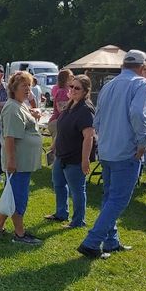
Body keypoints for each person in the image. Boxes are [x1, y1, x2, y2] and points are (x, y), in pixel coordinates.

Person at [76, 49, 146, 259]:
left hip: (107, 149)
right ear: (142, 67)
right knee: (117, 199)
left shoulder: (109, 85)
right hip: (126, 149)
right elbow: (138, 113)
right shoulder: (141, 84)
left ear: (123, 64)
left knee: (109, 197)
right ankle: (92, 241)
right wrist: (142, 141)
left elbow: (97, 119)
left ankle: (111, 241)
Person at [0, 71, 44, 245]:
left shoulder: (19, 105)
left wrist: (33, 115)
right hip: (18, 164)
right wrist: (12, 161)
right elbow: (10, 138)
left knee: (10, 195)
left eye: (29, 85)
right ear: (14, 88)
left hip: (21, 163)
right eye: (24, 85)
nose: (28, 89)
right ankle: (20, 235)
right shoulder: (13, 108)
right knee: (18, 198)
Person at [46, 74, 96, 228]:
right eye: (71, 86)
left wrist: (85, 160)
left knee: (77, 190)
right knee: (58, 184)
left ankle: (78, 220)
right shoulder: (70, 105)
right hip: (61, 154)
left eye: (77, 88)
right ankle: (61, 213)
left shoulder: (86, 110)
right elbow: (61, 129)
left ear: (85, 91)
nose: (73, 90)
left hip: (75, 157)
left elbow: (89, 137)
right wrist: (54, 145)